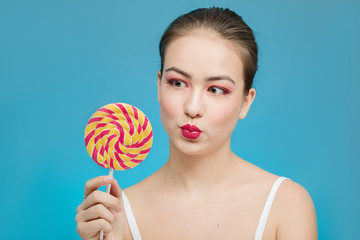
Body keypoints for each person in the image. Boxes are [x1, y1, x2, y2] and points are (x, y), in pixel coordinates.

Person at [76, 7, 318, 240]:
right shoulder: (117, 214)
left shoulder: (286, 204)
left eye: (216, 89)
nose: (192, 108)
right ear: (159, 85)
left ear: (246, 101)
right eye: (178, 83)